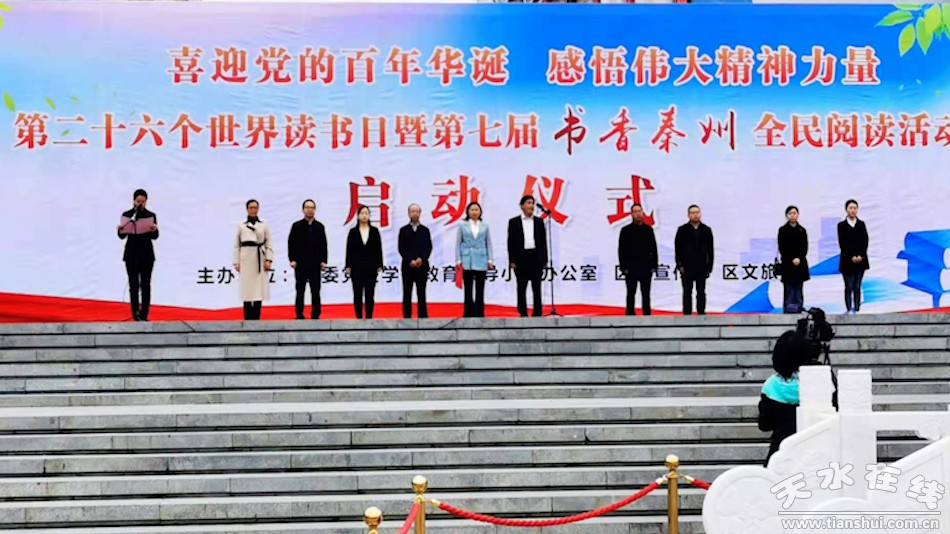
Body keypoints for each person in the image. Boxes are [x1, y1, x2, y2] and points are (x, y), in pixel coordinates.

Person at [758, 330, 811, 465]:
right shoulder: (816, 383)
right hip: (812, 450)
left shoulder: (771, 386)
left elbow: (764, 424)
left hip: (781, 451)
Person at [117, 189, 158, 321]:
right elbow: (122, 236)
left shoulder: (151, 215)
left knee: (146, 285)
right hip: (131, 254)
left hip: (146, 254)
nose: (140, 203)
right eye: (138, 201)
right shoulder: (128, 215)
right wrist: (120, 230)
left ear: (146, 202)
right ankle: (135, 314)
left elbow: (155, 236)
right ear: (134, 201)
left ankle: (144, 314)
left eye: (143, 201)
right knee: (133, 285)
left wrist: (154, 230)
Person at [507, 195, 548, 317]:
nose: (531, 206)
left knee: (537, 286)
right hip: (521, 258)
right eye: (529, 203)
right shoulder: (514, 222)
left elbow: (543, 242)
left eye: (533, 203)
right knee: (521, 286)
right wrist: (512, 260)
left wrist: (544, 259)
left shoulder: (539, 222)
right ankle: (523, 312)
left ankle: (537, 312)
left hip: (536, 257)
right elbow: (510, 242)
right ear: (522, 206)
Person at [233, 199, 274, 321]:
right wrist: (236, 262)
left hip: (259, 258)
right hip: (246, 259)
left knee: (258, 290)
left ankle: (256, 320)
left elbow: (269, 243)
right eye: (251, 207)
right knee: (247, 290)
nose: (253, 210)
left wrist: (268, 259)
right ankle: (247, 320)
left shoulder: (264, 224)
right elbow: (236, 245)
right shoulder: (241, 225)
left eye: (255, 207)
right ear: (247, 209)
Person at [288, 199, 328, 320]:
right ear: (303, 209)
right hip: (300, 263)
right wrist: (292, 259)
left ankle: (316, 314)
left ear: (315, 210)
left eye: (312, 207)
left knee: (316, 290)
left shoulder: (319, 226)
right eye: (307, 207)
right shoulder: (296, 226)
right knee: (300, 290)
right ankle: (299, 314)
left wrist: (323, 261)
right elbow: (291, 244)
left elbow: (324, 245)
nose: (309, 210)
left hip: (315, 263)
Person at [618, 203, 658, 316]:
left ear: (642, 213)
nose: (638, 214)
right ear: (631, 214)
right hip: (631, 268)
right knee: (631, 293)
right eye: (635, 212)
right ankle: (630, 314)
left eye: (639, 211)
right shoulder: (625, 230)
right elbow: (621, 250)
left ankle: (647, 314)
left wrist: (654, 265)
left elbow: (653, 249)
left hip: (646, 267)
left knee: (646, 293)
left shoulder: (648, 230)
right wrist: (624, 267)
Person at [674, 205, 714, 315]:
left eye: (697, 212)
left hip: (701, 266)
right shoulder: (682, 230)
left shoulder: (706, 230)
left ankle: (701, 312)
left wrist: (709, 266)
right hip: (687, 266)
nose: (695, 215)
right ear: (688, 215)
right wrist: (679, 265)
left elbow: (710, 250)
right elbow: (678, 249)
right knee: (687, 291)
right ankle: (687, 313)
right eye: (692, 213)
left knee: (701, 291)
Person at [456, 201, 494, 318]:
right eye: (472, 210)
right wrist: (458, 259)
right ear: (468, 212)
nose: (474, 212)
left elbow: (488, 243)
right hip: (467, 259)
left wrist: (490, 259)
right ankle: (468, 313)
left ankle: (479, 313)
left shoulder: (485, 226)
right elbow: (458, 243)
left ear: (480, 212)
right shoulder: (462, 226)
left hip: (481, 259)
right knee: (468, 288)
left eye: (476, 210)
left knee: (480, 288)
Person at [345, 205, 384, 319]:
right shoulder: (353, 232)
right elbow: (349, 249)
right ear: (358, 216)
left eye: (366, 213)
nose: (364, 216)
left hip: (371, 267)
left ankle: (369, 317)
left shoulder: (374, 231)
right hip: (356, 267)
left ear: (369, 216)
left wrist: (379, 264)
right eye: (362, 213)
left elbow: (378, 248)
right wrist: (348, 265)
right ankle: (358, 317)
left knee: (370, 294)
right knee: (357, 294)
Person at [398, 204, 433, 319]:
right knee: (407, 292)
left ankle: (423, 317)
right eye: (412, 211)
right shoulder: (403, 230)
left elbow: (428, 247)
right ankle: (407, 317)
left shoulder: (425, 230)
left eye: (417, 212)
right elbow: (401, 248)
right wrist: (410, 260)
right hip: (407, 266)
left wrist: (421, 259)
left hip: (422, 266)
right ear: (409, 213)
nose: (415, 214)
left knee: (421, 292)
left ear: (420, 213)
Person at [837, 199, 869, 314]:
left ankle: (857, 309)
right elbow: (842, 243)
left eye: (855, 208)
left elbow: (865, 241)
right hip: (847, 261)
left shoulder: (861, 224)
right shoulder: (841, 225)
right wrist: (851, 256)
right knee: (849, 286)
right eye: (851, 208)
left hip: (860, 261)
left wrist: (860, 255)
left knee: (857, 286)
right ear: (846, 210)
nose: (853, 210)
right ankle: (848, 309)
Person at [778, 206, 810, 314]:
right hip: (788, 264)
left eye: (794, 213)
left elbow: (805, 247)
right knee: (789, 288)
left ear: (798, 215)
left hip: (800, 264)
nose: (792, 215)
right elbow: (782, 247)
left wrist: (799, 258)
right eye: (790, 213)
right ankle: (788, 309)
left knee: (799, 288)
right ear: (786, 215)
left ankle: (799, 308)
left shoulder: (802, 230)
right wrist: (791, 258)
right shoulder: (782, 230)